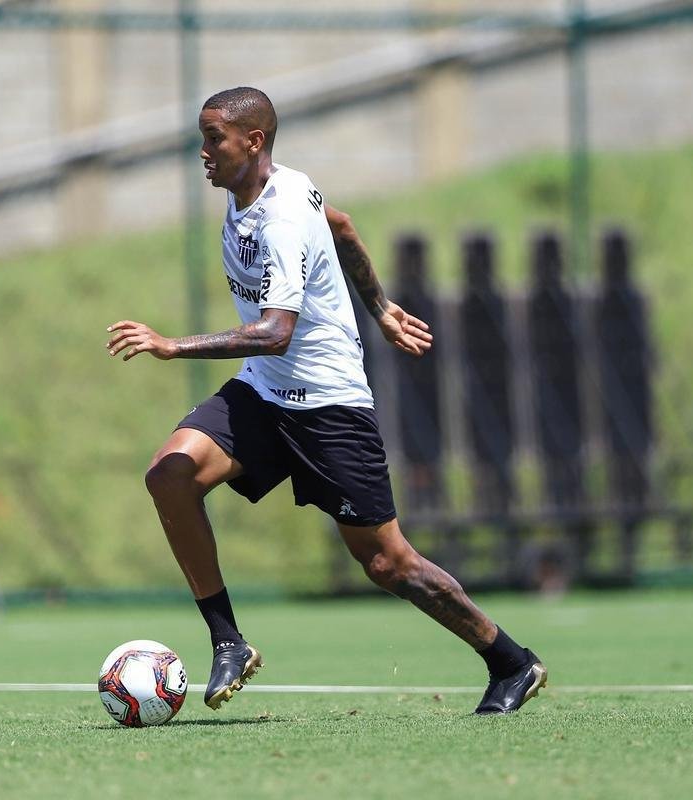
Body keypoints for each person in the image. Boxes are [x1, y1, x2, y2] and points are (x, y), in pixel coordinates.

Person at [106, 86, 546, 715]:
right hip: (266, 389)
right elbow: (339, 225)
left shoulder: (281, 215)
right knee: (170, 474)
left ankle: (510, 660)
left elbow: (276, 330)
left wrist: (174, 346)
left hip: (327, 404)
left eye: (213, 138)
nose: (202, 152)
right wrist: (383, 306)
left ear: (253, 141)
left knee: (388, 563)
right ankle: (228, 640)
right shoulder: (270, 189)